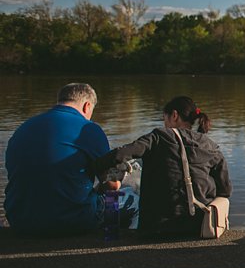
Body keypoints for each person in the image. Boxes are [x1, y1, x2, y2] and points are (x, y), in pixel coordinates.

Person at [95, 96, 231, 237]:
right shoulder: (211, 146)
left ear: (174, 115)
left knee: (122, 192)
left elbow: (119, 155)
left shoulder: (158, 137)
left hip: (157, 229)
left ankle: (110, 237)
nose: (164, 124)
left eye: (164, 119)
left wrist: (93, 167)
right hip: (199, 228)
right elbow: (225, 191)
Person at [4, 83, 120, 235]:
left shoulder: (24, 127)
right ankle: (112, 235)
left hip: (20, 221)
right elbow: (111, 185)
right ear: (87, 106)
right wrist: (118, 180)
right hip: (72, 222)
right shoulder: (89, 129)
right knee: (121, 193)